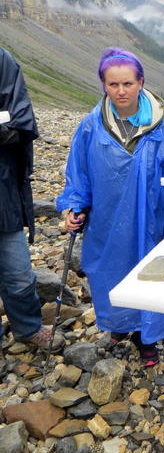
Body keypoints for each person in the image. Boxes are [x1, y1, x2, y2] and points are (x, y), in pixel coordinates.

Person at [57, 47, 164, 367]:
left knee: (148, 275)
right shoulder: (91, 127)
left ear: (140, 82)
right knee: (109, 272)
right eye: (113, 84)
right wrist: (75, 208)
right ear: (103, 86)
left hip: (151, 220)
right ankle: (120, 326)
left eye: (127, 84)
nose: (121, 91)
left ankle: (147, 339)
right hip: (106, 222)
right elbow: (79, 174)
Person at [0, 47, 65, 376]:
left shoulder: (2, 61)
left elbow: (20, 123)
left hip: (2, 195)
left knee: (18, 273)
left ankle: (27, 327)